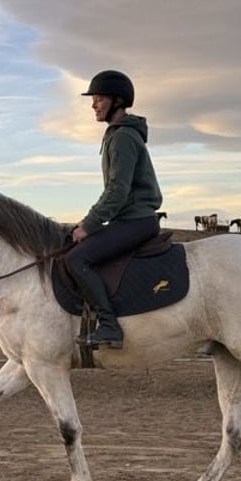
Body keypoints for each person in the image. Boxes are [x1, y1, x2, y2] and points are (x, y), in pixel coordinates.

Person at [65, 70, 163, 348]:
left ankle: (109, 325)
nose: (93, 105)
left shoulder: (122, 137)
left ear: (117, 101)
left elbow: (117, 191)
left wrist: (89, 225)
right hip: (130, 219)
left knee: (75, 260)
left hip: (135, 220)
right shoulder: (120, 135)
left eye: (98, 99)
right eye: (93, 100)